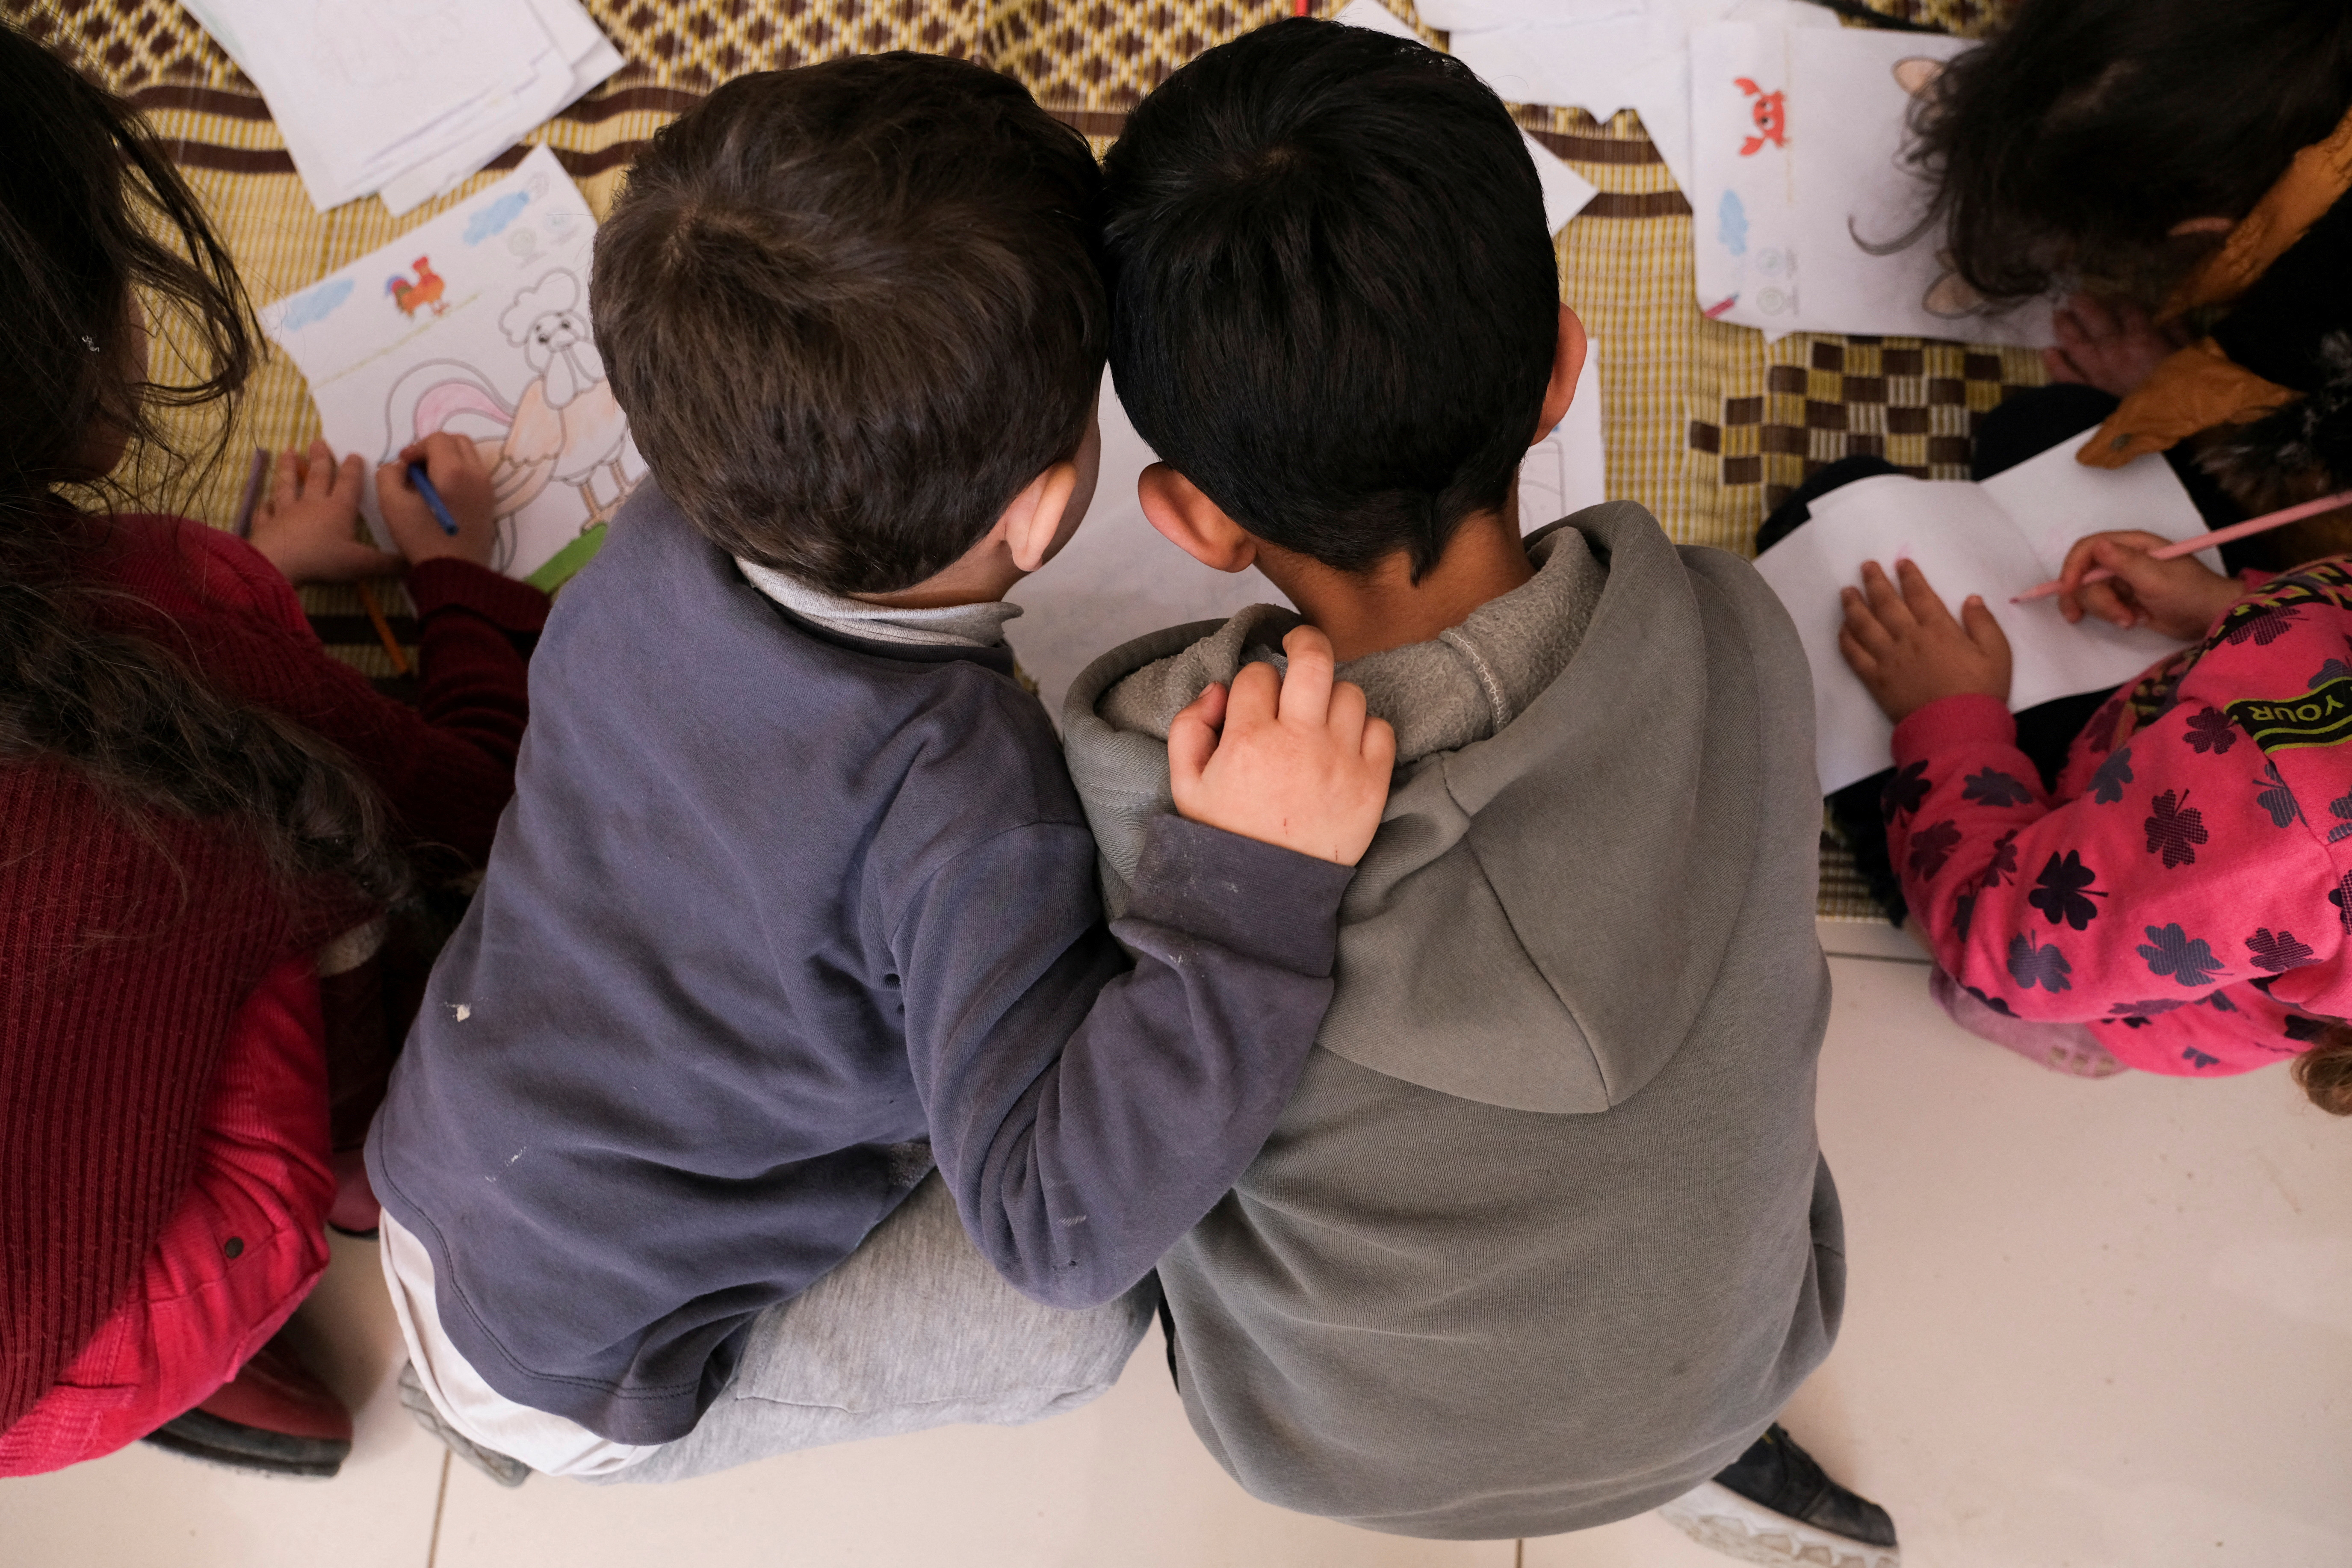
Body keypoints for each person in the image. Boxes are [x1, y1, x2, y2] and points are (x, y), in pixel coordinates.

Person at [366, 53, 1394, 1487]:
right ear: (1040, 511)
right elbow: (1054, 1222)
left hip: (447, 1150)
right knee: (1086, 1320)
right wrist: (1249, 891)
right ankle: (491, 1427)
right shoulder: (965, 799)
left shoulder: (662, 527)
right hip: (595, 1370)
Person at [1059, 20, 1894, 1566]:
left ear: (1187, 515)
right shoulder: (1736, 631)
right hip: (1732, 1377)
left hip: (1310, 1444)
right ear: (1565, 368)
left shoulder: (1140, 756)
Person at [0, 23, 547, 1479]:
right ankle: (362, 1188)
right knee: (320, 862)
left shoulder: (168, 616)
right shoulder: (172, 620)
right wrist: (462, 588)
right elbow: (477, 810)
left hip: (16, 1370)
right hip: (118, 1312)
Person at [1908, 0, 2352, 568]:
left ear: (2203, 233)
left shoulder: (2302, 334)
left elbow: (2326, 536)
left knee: (2041, 432)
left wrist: (2200, 413)